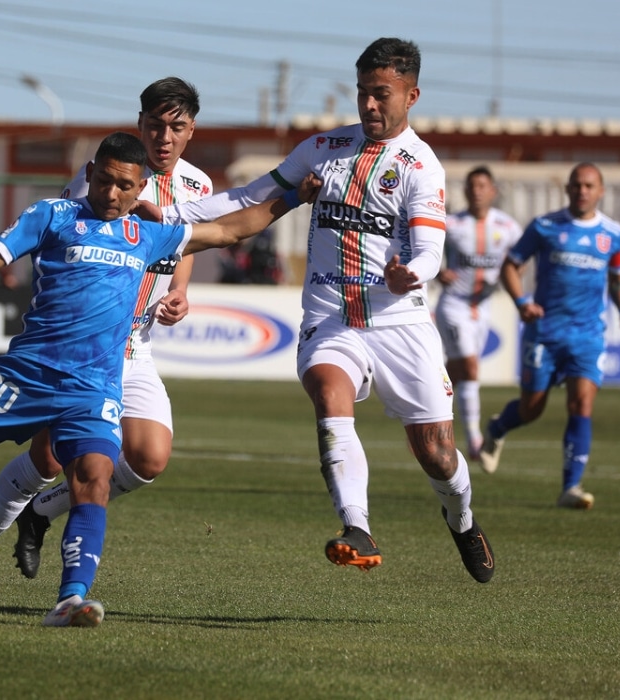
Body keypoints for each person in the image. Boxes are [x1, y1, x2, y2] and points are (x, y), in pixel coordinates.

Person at [0, 131, 316, 627]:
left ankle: (71, 599)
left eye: (124, 186)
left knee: (93, 480)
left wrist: (291, 197)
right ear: (89, 174)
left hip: (92, 389)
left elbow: (230, 231)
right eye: (105, 181)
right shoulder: (51, 216)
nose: (112, 194)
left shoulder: (148, 234)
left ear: (141, 190)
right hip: (25, 378)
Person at [163, 38, 495, 583]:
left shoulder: (422, 166)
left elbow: (432, 246)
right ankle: (356, 526)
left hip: (399, 320)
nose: (368, 105)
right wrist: (171, 213)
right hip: (331, 316)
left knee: (437, 453)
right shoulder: (322, 147)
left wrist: (413, 272)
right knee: (327, 390)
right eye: (363, 93)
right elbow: (248, 197)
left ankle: (461, 519)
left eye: (380, 95)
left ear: (411, 95)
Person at [0, 77, 214, 587]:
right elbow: (69, 242)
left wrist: (180, 290)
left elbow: (184, 247)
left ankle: (41, 514)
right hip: (81, 349)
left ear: (190, 132)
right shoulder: (105, 178)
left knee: (148, 458)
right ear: (139, 124)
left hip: (135, 347)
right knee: (47, 457)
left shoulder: (199, 186)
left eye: (175, 128)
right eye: (155, 125)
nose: (164, 137)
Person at [479, 163, 620, 509]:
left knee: (582, 404)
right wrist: (521, 303)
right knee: (532, 409)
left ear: (601, 191)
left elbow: (619, 276)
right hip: (545, 333)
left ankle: (570, 487)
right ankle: (499, 427)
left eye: (589, 186)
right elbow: (510, 265)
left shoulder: (613, 233)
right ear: (567, 189)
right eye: (576, 185)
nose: (582, 191)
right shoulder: (546, 226)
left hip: (588, 335)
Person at [436, 167, 522, 460]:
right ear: (465, 191)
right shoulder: (452, 224)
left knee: (456, 373)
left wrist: (507, 278)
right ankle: (474, 440)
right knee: (471, 368)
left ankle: (427, 419)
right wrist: (437, 271)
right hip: (454, 305)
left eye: (483, 185)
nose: (476, 190)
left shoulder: (508, 227)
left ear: (493, 191)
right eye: (472, 185)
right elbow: (423, 248)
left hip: (482, 309)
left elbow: (519, 260)